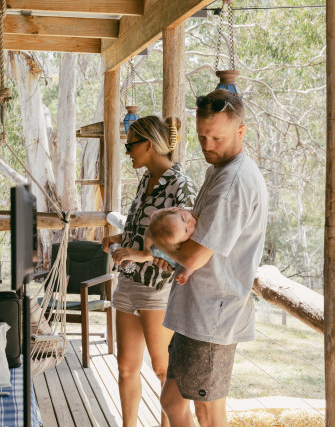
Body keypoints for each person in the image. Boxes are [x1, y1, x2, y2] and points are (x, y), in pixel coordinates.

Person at [156, 89, 268, 427]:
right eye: (202, 136)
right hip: (199, 310)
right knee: (172, 401)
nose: (207, 145)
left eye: (217, 138)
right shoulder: (218, 169)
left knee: (208, 413)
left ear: (241, 131)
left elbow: (192, 257)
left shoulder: (232, 182)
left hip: (213, 316)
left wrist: (158, 241)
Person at [101, 116, 197, 427]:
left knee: (162, 370)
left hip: (158, 289)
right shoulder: (146, 180)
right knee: (126, 367)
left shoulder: (181, 185)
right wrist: (120, 239)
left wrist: (142, 254)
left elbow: (189, 242)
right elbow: (145, 230)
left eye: (130, 145)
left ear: (149, 145)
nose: (128, 151)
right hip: (128, 283)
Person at [145, 207, 198, 285]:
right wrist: (186, 274)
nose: (189, 223)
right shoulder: (191, 241)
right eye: (186, 230)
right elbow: (192, 261)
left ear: (176, 211)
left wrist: (155, 215)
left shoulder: (180, 211)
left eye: (182, 219)